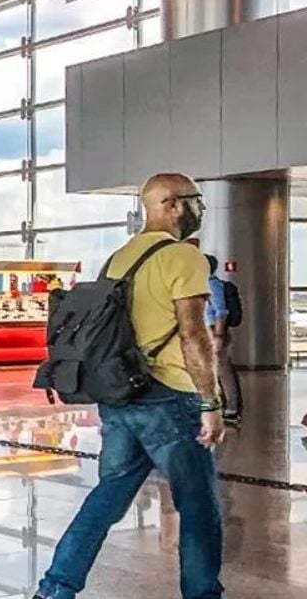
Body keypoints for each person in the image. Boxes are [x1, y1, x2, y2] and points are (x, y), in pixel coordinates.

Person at [34, 173, 226, 599]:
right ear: (171, 204)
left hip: (121, 396)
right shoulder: (183, 257)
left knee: (107, 497)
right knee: (198, 506)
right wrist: (210, 403)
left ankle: (55, 588)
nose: (201, 210)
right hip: (170, 397)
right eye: (197, 201)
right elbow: (194, 335)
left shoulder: (119, 258)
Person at [204, 254, 241, 425]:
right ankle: (221, 405)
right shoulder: (204, 284)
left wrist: (218, 336)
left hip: (216, 331)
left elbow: (221, 311)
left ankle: (232, 408)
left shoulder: (212, 283)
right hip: (208, 331)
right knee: (215, 371)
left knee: (223, 370)